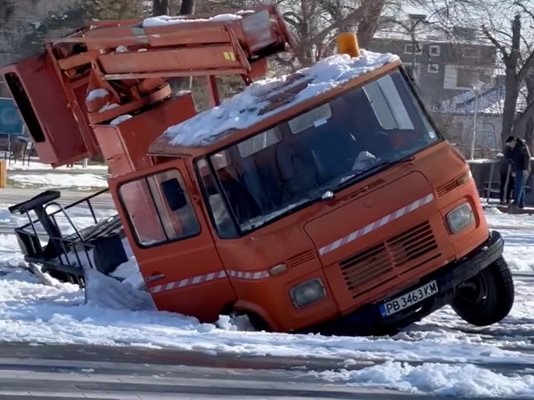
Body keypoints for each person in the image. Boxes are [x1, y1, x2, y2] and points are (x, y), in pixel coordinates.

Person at [505, 135, 531, 209]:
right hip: (517, 168)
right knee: (520, 186)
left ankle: (516, 202)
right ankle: (521, 203)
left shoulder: (522, 146)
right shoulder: (514, 148)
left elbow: (527, 157)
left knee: (518, 186)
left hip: (523, 169)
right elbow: (512, 160)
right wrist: (513, 170)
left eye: (510, 144)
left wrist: (525, 169)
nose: (510, 146)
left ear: (513, 141)